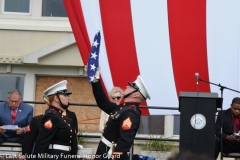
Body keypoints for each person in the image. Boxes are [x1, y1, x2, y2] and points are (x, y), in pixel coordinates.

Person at [91, 71, 150, 160]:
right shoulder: (124, 108)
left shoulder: (131, 113)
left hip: (110, 155)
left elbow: (124, 142)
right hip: (104, 151)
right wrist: (95, 81)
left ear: (136, 94)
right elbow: (103, 103)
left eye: (131, 86)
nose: (127, 86)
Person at [33, 80, 78, 160]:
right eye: (65, 95)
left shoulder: (58, 116)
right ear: (56, 98)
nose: (68, 98)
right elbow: (41, 144)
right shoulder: (51, 116)